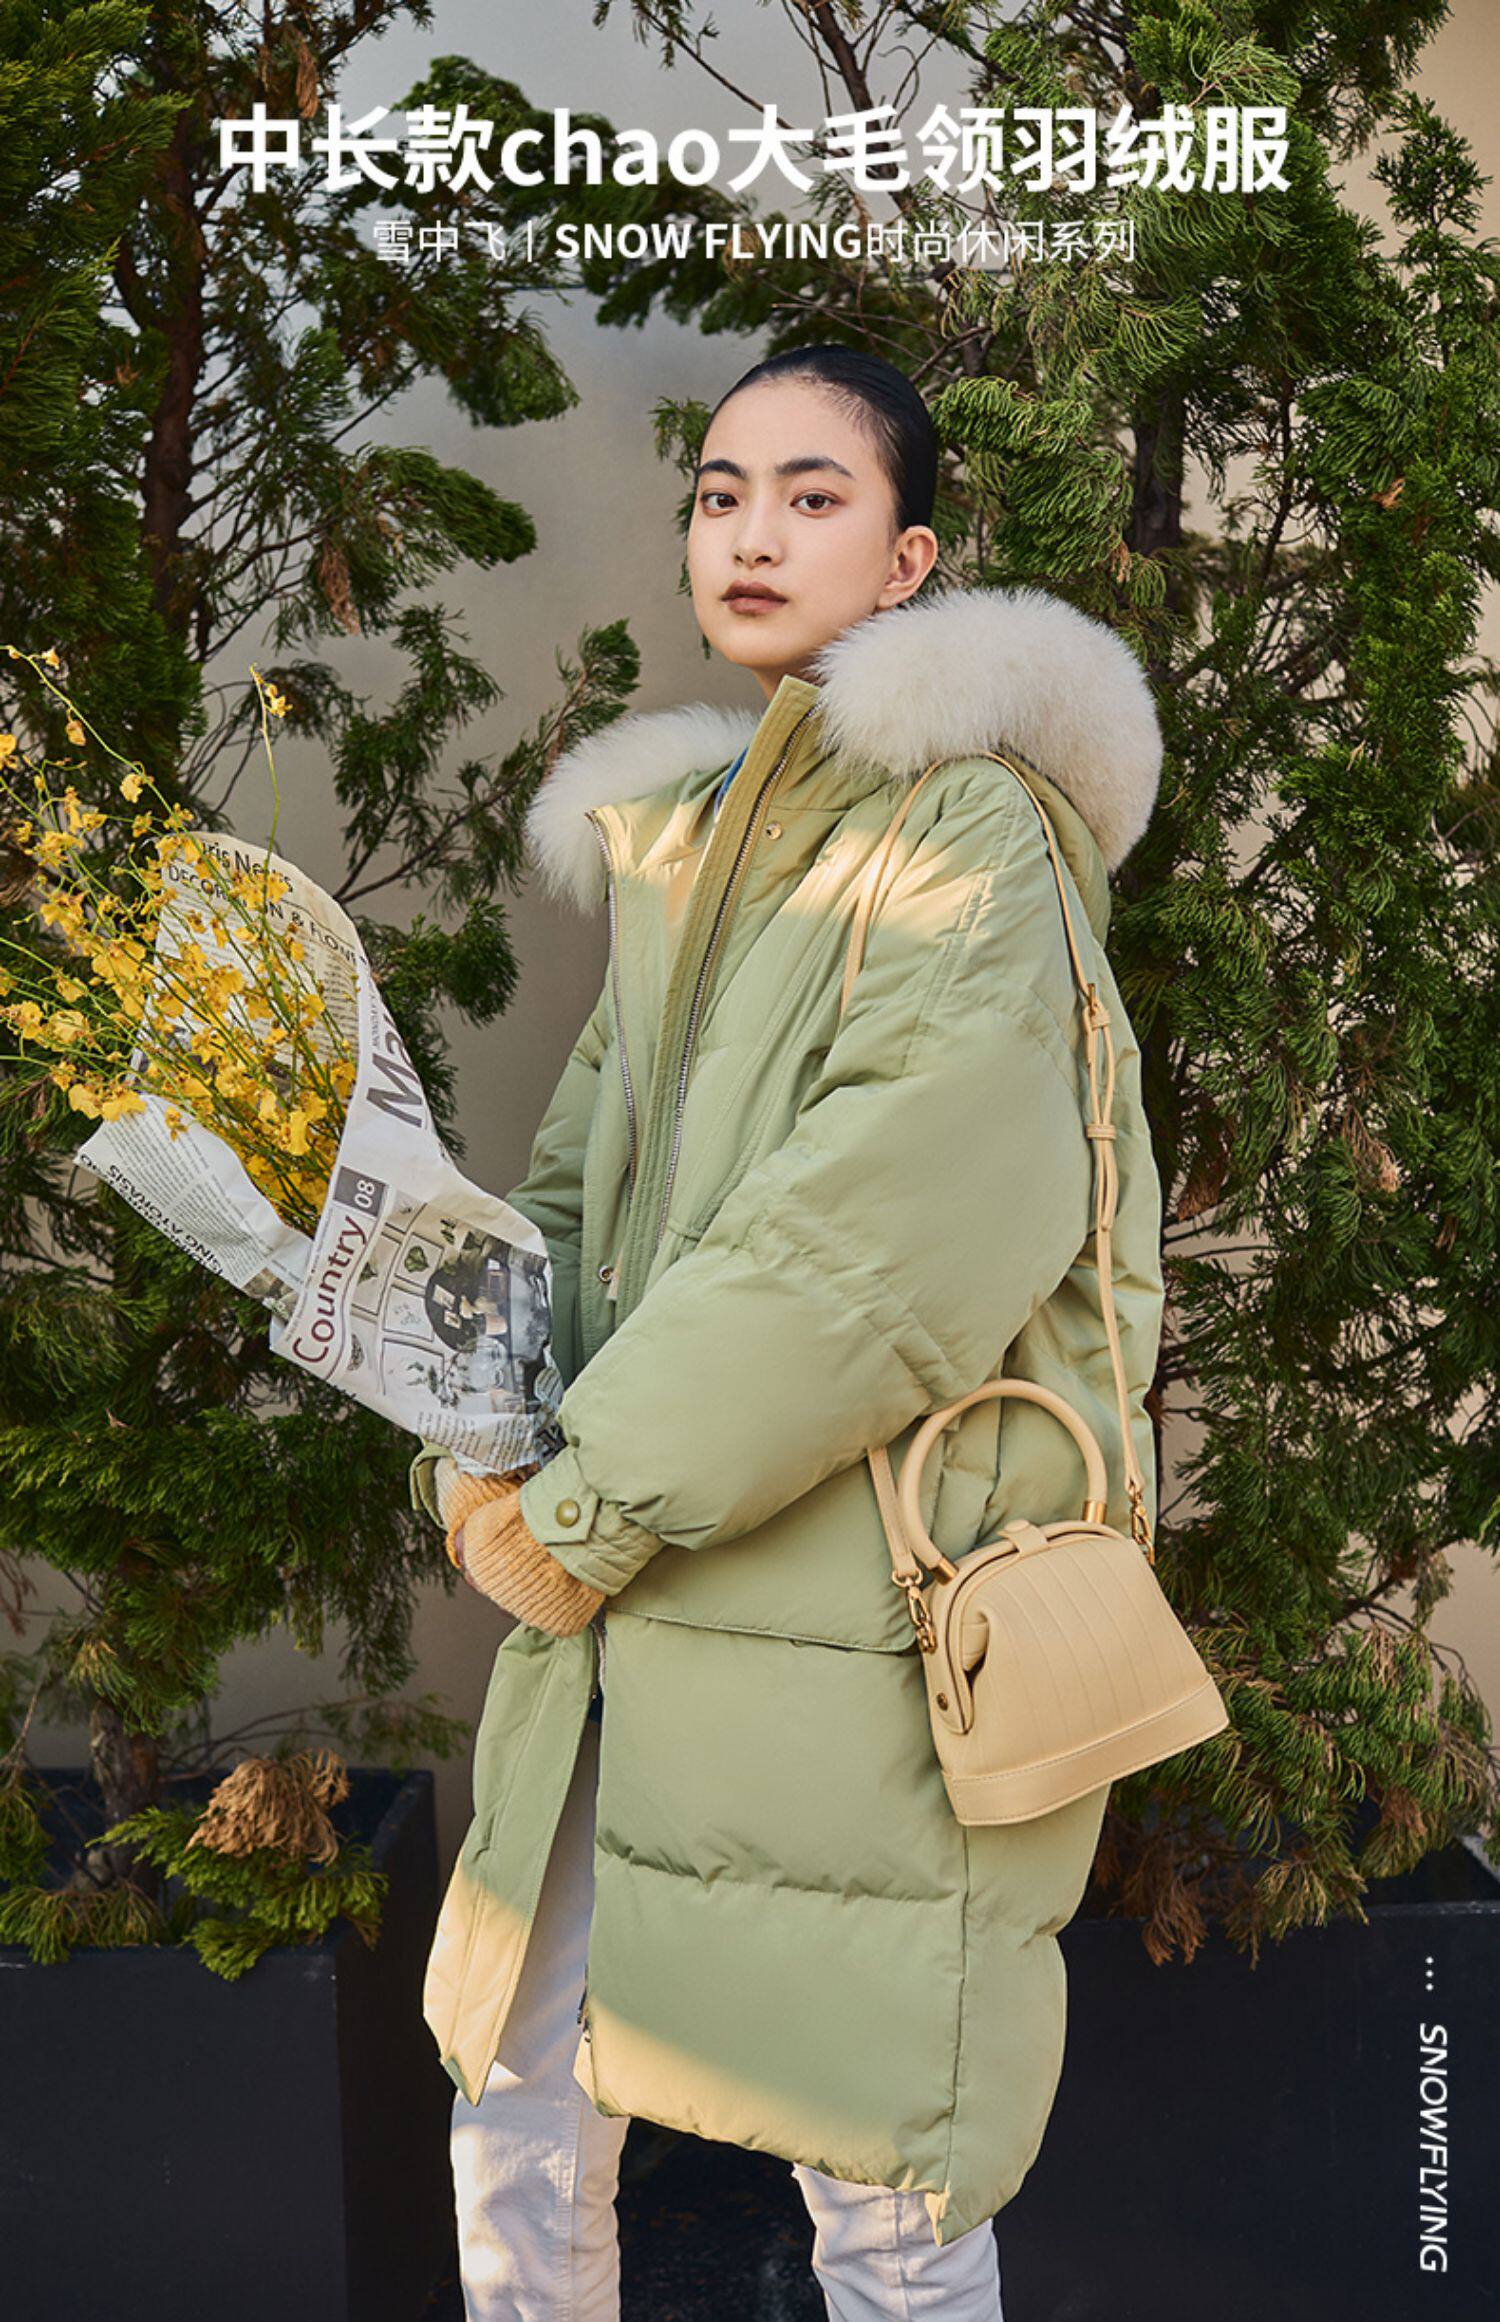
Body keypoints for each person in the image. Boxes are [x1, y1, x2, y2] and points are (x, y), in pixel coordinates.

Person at [409, 343, 1167, 2320]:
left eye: (814, 496)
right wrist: (470, 1426)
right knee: (515, 2105)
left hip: (853, 1611)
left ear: (911, 559)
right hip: (642, 1600)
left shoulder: (970, 837)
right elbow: (572, 1193)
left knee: (884, 2183)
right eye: (722, 492)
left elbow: (866, 1255)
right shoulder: (690, 846)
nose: (751, 532)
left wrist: (573, 1518)